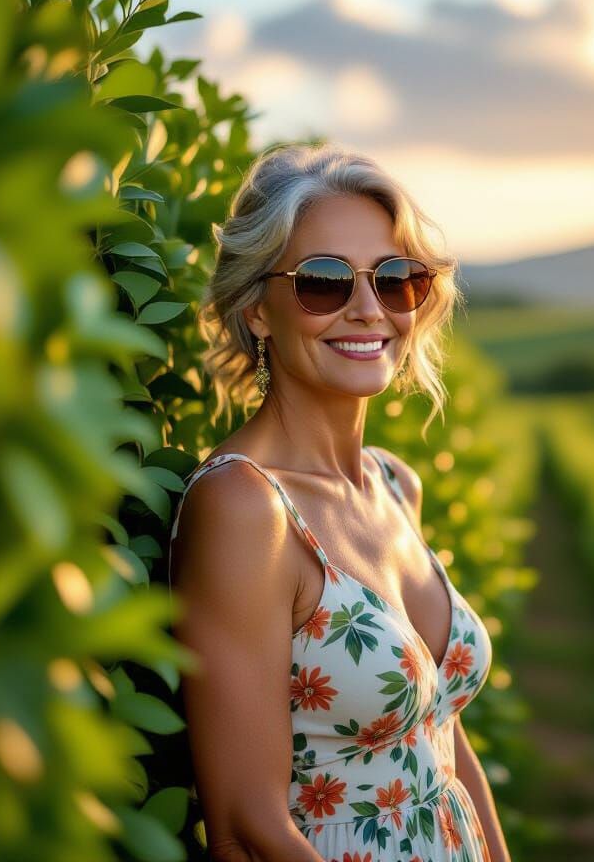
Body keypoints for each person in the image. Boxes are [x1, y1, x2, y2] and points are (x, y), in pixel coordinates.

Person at [168, 142, 510, 861]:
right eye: (323, 282)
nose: (367, 310)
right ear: (258, 308)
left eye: (396, 281)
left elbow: (443, 737)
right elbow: (246, 828)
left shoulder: (392, 484)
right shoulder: (245, 507)